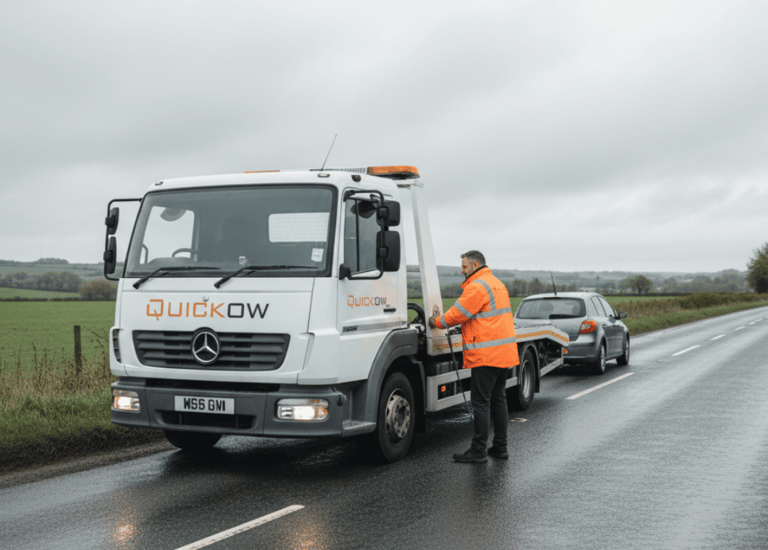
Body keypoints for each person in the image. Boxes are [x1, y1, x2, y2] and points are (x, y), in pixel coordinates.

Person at [428, 250, 519, 463]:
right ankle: (500, 447)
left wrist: (437, 322)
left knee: (480, 402)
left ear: (475, 264)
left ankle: (478, 450)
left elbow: (458, 314)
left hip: (486, 354)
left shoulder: (477, 286)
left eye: (465, 267)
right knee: (499, 400)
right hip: (503, 353)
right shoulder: (496, 283)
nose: (462, 271)